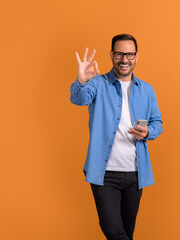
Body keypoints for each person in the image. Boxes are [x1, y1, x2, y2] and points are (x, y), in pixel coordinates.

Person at [70, 34, 163, 240]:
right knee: (113, 231)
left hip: (135, 173)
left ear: (136, 56)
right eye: (120, 54)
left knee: (127, 233)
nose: (124, 59)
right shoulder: (98, 83)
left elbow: (158, 123)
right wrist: (81, 80)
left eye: (130, 54)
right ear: (112, 55)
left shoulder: (147, 90)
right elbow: (78, 99)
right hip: (105, 174)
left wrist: (148, 132)